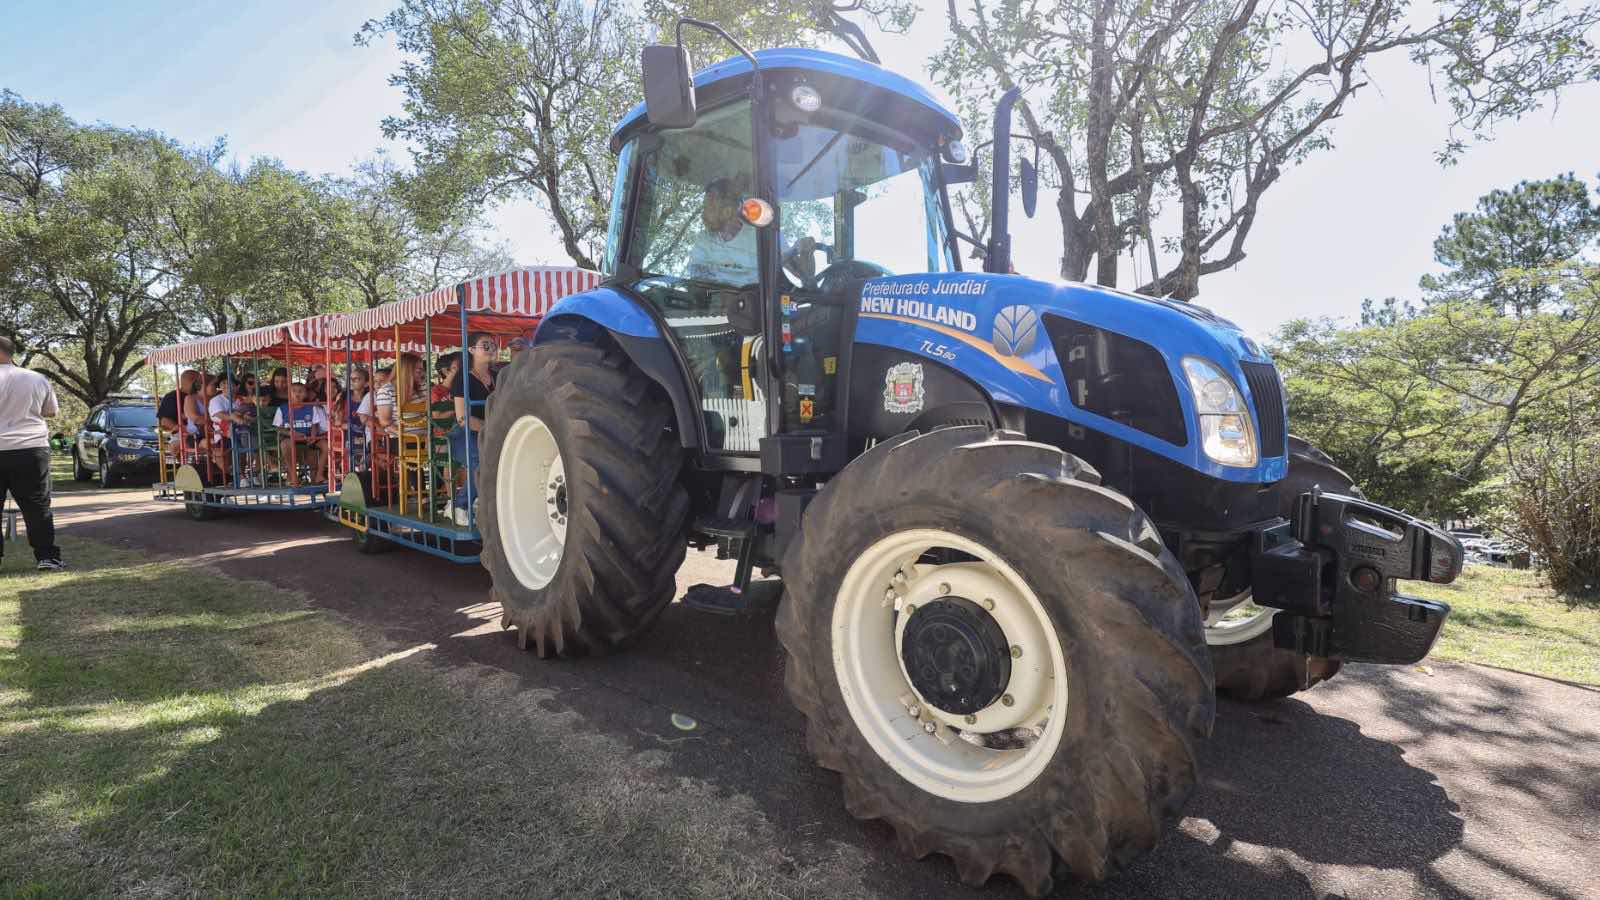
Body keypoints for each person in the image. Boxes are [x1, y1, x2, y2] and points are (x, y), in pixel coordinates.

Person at [0, 336, 64, 570]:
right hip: (30, 446)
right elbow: (50, 412)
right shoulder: (36, 378)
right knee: (36, 504)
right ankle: (47, 556)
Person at [447, 334, 497, 525]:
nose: (491, 348)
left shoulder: (497, 376)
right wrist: (492, 429)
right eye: (485, 345)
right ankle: (460, 505)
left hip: (490, 432)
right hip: (465, 433)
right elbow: (463, 419)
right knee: (481, 461)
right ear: (471, 350)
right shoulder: (463, 378)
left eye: (493, 344)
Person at [272, 382, 328, 486]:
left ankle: (319, 475)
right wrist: (291, 433)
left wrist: (313, 436)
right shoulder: (282, 408)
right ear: (289, 393)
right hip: (291, 438)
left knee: (326, 445)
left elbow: (314, 424)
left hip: (308, 437)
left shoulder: (311, 407)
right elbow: (278, 428)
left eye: (300, 391)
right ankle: (293, 476)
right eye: (294, 391)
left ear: (305, 394)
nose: (297, 394)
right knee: (285, 445)